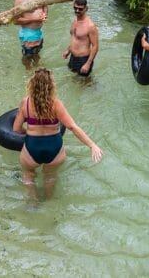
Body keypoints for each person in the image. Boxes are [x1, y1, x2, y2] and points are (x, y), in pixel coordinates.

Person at [13, 67, 103, 200]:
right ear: (51, 86)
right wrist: (92, 145)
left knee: (28, 175)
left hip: (32, 147)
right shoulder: (56, 104)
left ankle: (33, 205)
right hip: (54, 148)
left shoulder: (25, 103)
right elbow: (72, 127)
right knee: (50, 177)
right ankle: (48, 204)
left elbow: (16, 128)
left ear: (32, 84)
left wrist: (28, 133)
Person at [14, 0, 47, 66]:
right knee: (27, 57)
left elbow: (45, 5)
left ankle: (37, 70)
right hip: (28, 33)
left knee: (37, 53)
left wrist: (45, 15)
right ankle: (28, 73)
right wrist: (35, 20)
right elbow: (16, 21)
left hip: (39, 32)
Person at [62, 0, 99, 76]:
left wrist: (88, 64)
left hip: (83, 60)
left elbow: (95, 46)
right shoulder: (75, 21)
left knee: (85, 84)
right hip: (73, 58)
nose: (77, 11)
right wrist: (68, 51)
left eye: (80, 9)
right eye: (75, 8)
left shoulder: (90, 26)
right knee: (74, 81)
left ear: (86, 8)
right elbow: (74, 38)